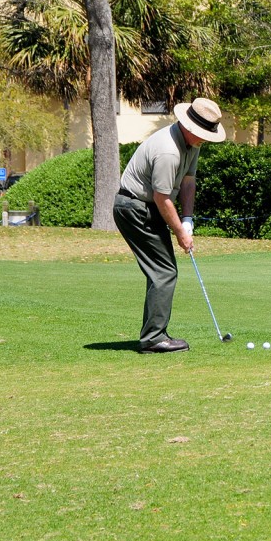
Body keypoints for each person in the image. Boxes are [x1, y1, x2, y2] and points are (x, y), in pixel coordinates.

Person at [113, 97, 226, 353]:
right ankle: (153, 339)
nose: (205, 139)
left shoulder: (192, 143)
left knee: (162, 270)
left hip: (147, 207)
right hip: (134, 208)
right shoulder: (168, 150)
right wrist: (180, 234)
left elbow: (188, 181)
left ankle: (154, 334)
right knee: (164, 271)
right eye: (202, 133)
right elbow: (161, 197)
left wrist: (188, 220)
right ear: (188, 126)